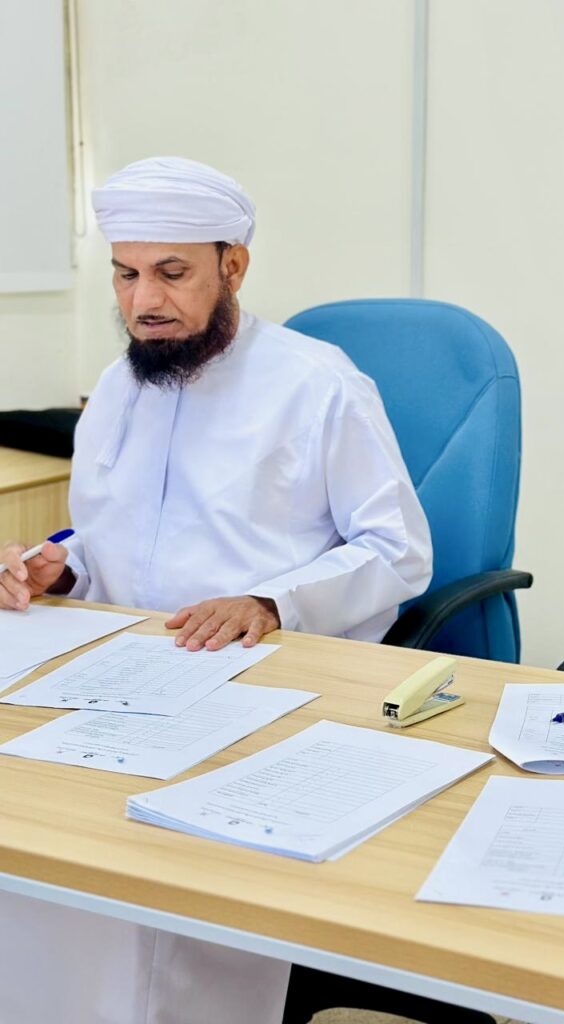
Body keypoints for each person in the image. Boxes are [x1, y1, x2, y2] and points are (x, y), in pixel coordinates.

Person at [0, 157, 433, 1024]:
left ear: (233, 267)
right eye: (125, 274)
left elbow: (398, 552)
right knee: (39, 844)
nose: (143, 300)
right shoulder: (121, 386)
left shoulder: (317, 384)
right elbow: (108, 536)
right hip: (120, 676)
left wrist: (270, 602)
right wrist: (59, 567)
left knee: (151, 884)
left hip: (260, 677)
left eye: (172, 273)